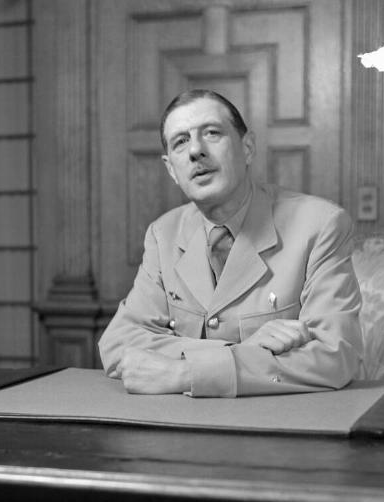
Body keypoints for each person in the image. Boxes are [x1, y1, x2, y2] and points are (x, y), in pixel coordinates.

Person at [98, 89, 362, 397]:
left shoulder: (320, 225)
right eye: (180, 142)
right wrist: (240, 350)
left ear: (248, 147)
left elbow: (335, 356)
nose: (195, 150)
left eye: (211, 133)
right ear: (171, 169)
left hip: (277, 430)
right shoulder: (163, 234)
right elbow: (119, 343)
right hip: (184, 428)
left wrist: (186, 373)